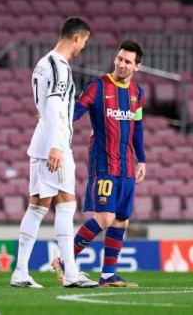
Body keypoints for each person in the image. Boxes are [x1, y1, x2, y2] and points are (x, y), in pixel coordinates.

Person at [9, 17, 98, 289]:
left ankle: (21, 271)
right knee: (66, 204)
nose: (83, 47)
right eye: (84, 41)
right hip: (53, 144)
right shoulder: (60, 66)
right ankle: (69, 272)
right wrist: (56, 146)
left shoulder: (42, 63)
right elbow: (54, 104)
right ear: (77, 37)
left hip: (44, 142)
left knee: (38, 206)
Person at [52, 40, 146, 287]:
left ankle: (107, 275)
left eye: (128, 61)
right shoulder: (98, 86)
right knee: (104, 218)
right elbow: (77, 111)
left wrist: (142, 159)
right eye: (120, 59)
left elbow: (137, 129)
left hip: (127, 167)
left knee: (121, 220)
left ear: (137, 66)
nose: (122, 64)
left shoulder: (138, 93)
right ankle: (63, 261)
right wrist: (58, 124)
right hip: (103, 164)